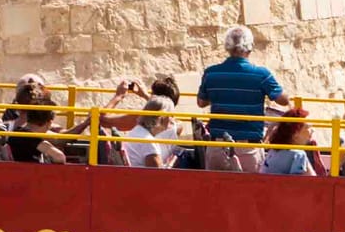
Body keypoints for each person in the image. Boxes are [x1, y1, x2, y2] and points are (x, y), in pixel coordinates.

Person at [197, 25, 287, 172]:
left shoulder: (211, 73)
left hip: (217, 146)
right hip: (248, 148)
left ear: (227, 47)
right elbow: (283, 100)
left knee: (215, 193)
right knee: (251, 193)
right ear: (250, 48)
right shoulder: (261, 74)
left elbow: (201, 102)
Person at [101, 79, 180, 168]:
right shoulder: (177, 125)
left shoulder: (141, 120)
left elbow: (102, 119)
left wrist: (119, 95)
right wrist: (145, 96)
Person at [263, 107, 321, 176]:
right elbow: (297, 182)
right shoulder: (298, 154)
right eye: (308, 127)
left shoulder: (273, 151)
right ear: (296, 133)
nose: (312, 130)